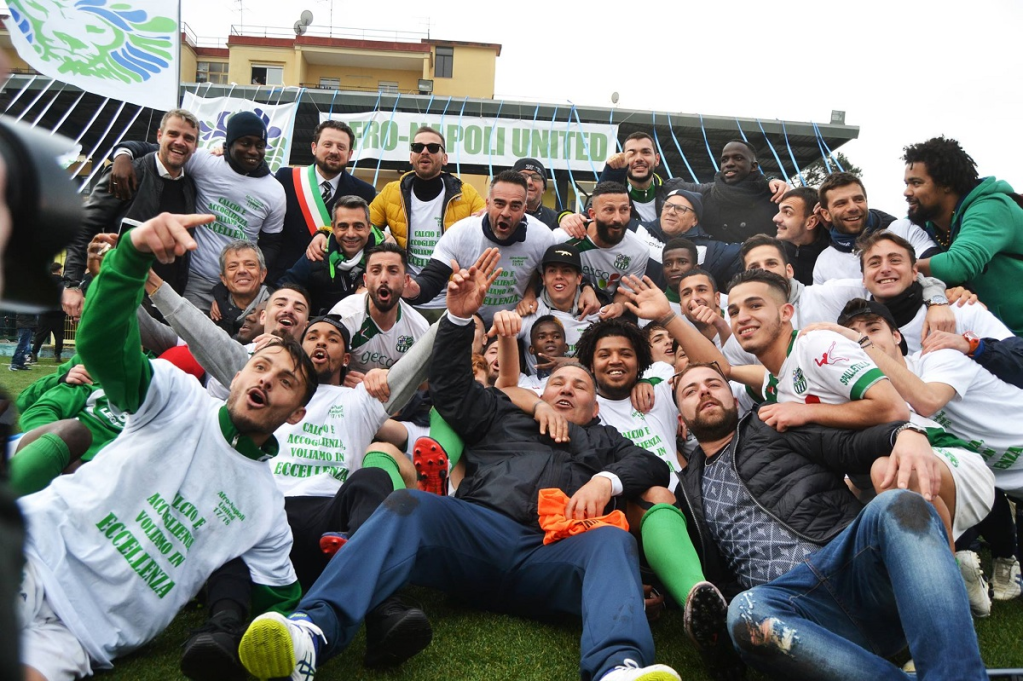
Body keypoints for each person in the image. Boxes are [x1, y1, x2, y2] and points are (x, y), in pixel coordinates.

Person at [236, 248, 682, 681]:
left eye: (579, 386)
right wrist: (456, 319)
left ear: (595, 406)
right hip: (476, 534)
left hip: (552, 552)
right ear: (539, 392)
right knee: (409, 505)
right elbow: (450, 390)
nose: (566, 389)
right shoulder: (503, 412)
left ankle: (617, 667)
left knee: (611, 540)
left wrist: (604, 481)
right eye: (557, 382)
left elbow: (651, 465)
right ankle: (313, 632)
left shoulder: (606, 439)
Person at [17, 213, 317, 681]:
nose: (266, 381)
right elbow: (101, 347)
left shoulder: (266, 510)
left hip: (84, 636)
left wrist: (298, 635)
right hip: (34, 553)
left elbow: (280, 603)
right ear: (237, 374)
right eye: (260, 367)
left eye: (286, 382)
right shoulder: (177, 396)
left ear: (296, 413)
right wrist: (130, 256)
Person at [672, 362, 987, 681]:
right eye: (690, 391)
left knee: (898, 503)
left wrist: (903, 433)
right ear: (681, 419)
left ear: (733, 397)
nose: (704, 391)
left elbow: (847, 445)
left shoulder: (769, 422)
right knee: (745, 610)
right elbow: (718, 577)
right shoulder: (687, 489)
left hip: (855, 569)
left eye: (714, 384)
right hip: (796, 613)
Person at [111, 112, 287, 311]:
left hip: (239, 286)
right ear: (229, 143)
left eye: (260, 145)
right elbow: (160, 150)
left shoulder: (275, 191)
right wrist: (123, 155)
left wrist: (247, 278)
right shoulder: (205, 162)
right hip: (195, 281)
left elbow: (272, 243)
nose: (253, 151)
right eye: (245, 143)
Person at [307, 127, 485, 311]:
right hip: (402, 297)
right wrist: (324, 233)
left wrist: (486, 215)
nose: (424, 151)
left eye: (432, 148)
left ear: (445, 158)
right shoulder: (392, 192)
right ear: (411, 157)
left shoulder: (466, 194)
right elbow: (359, 224)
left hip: (452, 299)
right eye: (418, 147)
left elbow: (488, 222)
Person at [62, 109, 200, 319]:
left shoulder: (190, 185)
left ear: (195, 146)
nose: (180, 142)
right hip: (122, 293)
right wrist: (72, 284)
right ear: (159, 136)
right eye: (173, 134)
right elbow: (85, 226)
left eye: (188, 138)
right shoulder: (127, 174)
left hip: (168, 300)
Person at [402, 171, 558, 322]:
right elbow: (433, 278)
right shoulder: (461, 233)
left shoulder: (542, 237)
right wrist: (414, 290)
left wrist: (531, 293)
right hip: (468, 323)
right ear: (488, 204)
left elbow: (551, 280)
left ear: (524, 209)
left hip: (514, 324)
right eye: (499, 203)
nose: (505, 213)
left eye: (515, 206)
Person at [905, 136, 1023, 335]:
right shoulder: (927, 222)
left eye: (916, 183)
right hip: (997, 337)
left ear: (947, 184)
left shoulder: (992, 207)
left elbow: (956, 266)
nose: (907, 192)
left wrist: (904, 268)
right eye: (907, 183)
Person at [270, 120, 376, 283]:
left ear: (350, 154)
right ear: (314, 147)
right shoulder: (286, 179)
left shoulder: (365, 192)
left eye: (341, 147)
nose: (334, 151)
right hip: (287, 279)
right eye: (328, 144)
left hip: (335, 283)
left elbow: (368, 236)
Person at [813, 172, 939, 285]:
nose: (852, 207)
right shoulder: (824, 262)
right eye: (841, 203)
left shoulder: (902, 229)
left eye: (858, 199)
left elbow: (937, 270)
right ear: (826, 214)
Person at [330, 243, 430, 378]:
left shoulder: (419, 327)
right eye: (376, 271)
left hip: (395, 391)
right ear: (365, 280)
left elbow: (422, 384)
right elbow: (326, 373)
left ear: (406, 281)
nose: (383, 279)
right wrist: (346, 382)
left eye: (393, 271)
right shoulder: (344, 316)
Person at [553, 181, 649, 316]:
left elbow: (626, 291)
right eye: (609, 210)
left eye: (623, 210)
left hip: (602, 315)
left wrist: (618, 307)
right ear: (592, 214)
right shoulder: (562, 238)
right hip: (560, 311)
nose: (618, 218)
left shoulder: (639, 250)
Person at [279, 195, 386, 315]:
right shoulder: (318, 253)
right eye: (343, 226)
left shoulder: (386, 258)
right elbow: (285, 287)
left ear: (369, 228)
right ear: (333, 228)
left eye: (358, 226)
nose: (350, 234)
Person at [634, 188, 742, 291]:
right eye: (667, 206)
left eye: (680, 209)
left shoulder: (710, 250)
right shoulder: (637, 230)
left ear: (694, 220)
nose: (671, 212)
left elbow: (747, 252)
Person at [597, 132, 666, 222]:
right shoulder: (613, 195)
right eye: (632, 153)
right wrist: (611, 173)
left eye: (646, 152)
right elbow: (591, 214)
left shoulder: (674, 190)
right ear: (623, 159)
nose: (638, 159)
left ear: (657, 159)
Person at [210, 241, 272, 337]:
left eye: (250, 264)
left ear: (262, 274)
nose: (242, 270)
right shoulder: (216, 313)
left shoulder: (276, 312)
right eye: (233, 266)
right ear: (224, 279)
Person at [772, 187, 828, 285]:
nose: (775, 218)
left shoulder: (835, 257)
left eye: (787, 212)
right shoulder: (772, 253)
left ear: (811, 222)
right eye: (779, 211)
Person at [30, 263, 66, 363]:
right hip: (59, 312)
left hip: (45, 312)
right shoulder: (64, 283)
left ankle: (34, 353)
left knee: (40, 335)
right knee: (59, 335)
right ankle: (57, 355)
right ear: (59, 270)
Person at [513, 157, 559, 228]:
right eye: (522, 176)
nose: (529, 182)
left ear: (543, 189)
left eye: (536, 178)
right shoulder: (499, 215)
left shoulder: (556, 221)